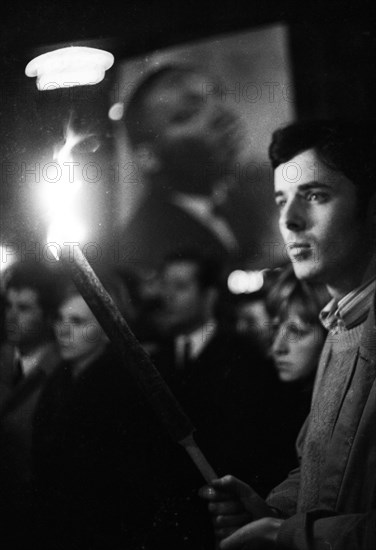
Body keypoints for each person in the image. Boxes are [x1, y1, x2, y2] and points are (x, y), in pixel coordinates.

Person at [199, 118, 376, 549]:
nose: (290, 221)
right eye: (281, 201)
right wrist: (273, 509)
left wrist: (289, 535)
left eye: (315, 196)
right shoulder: (339, 325)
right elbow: (319, 464)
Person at [31, 275, 163, 550]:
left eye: (78, 322)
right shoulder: (57, 379)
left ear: (107, 330)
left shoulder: (123, 388)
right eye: (60, 319)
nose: (63, 331)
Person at [120, 64, 243, 271]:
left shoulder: (251, 200)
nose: (221, 114)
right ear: (148, 157)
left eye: (218, 97)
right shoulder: (145, 251)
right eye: (188, 113)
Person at [0, 260, 62, 547]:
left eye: (24, 308)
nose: (11, 316)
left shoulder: (61, 372)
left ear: (49, 316)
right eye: (9, 305)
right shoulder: (2, 359)